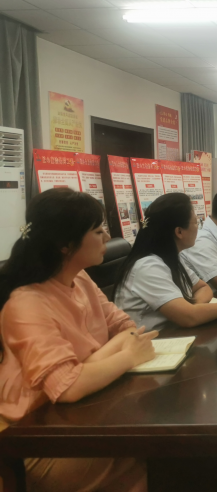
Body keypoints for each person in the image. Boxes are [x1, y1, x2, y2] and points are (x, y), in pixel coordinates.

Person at [0, 188, 155, 492]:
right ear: (65, 245)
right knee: (158, 462)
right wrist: (126, 356)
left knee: (163, 456)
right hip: (35, 434)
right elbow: (67, 387)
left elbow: (125, 326)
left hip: (85, 412)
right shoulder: (26, 303)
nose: (107, 237)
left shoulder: (80, 278)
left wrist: (91, 364)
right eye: (98, 231)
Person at [114, 193, 217, 332]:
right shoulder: (148, 267)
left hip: (174, 333)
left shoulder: (171, 257)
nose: (198, 227)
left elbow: (203, 287)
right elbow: (189, 317)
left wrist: (194, 307)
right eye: (196, 223)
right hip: (152, 340)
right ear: (179, 231)